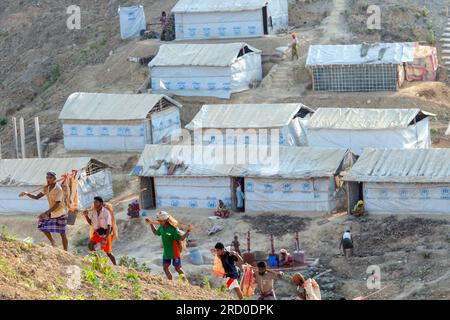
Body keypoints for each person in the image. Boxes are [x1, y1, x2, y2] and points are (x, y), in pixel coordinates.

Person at [19, 171, 68, 251]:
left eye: (50, 178)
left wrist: (45, 213)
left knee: (62, 233)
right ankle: (53, 242)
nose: (48, 179)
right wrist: (27, 193)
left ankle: (66, 251)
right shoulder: (46, 188)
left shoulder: (59, 189)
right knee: (42, 225)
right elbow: (37, 197)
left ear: (55, 179)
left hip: (60, 212)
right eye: (47, 178)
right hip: (52, 212)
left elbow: (57, 204)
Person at [146, 211, 190, 281]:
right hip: (166, 252)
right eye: (158, 221)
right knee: (165, 268)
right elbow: (155, 232)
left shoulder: (173, 229)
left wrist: (188, 232)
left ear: (166, 220)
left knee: (177, 268)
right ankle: (170, 283)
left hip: (175, 252)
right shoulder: (161, 228)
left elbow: (181, 238)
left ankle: (185, 282)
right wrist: (150, 223)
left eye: (161, 221)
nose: (159, 222)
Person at [82, 196, 117, 265]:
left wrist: (105, 238)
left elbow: (109, 226)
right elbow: (91, 223)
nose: (94, 204)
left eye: (96, 202)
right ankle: (97, 261)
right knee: (90, 245)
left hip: (106, 233)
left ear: (101, 203)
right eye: (94, 202)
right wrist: (86, 216)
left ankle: (116, 266)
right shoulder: (94, 212)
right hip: (98, 233)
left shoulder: (106, 212)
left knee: (108, 253)